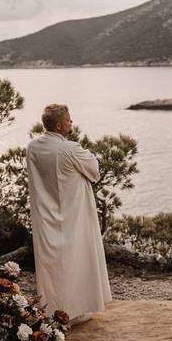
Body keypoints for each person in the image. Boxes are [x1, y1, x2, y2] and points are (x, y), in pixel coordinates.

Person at [26, 104, 111, 324]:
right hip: (73, 215)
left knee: (53, 265)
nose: (72, 123)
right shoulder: (70, 149)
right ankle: (73, 311)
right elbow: (94, 171)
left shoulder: (33, 147)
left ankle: (55, 310)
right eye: (69, 120)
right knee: (75, 261)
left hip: (46, 214)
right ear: (59, 125)